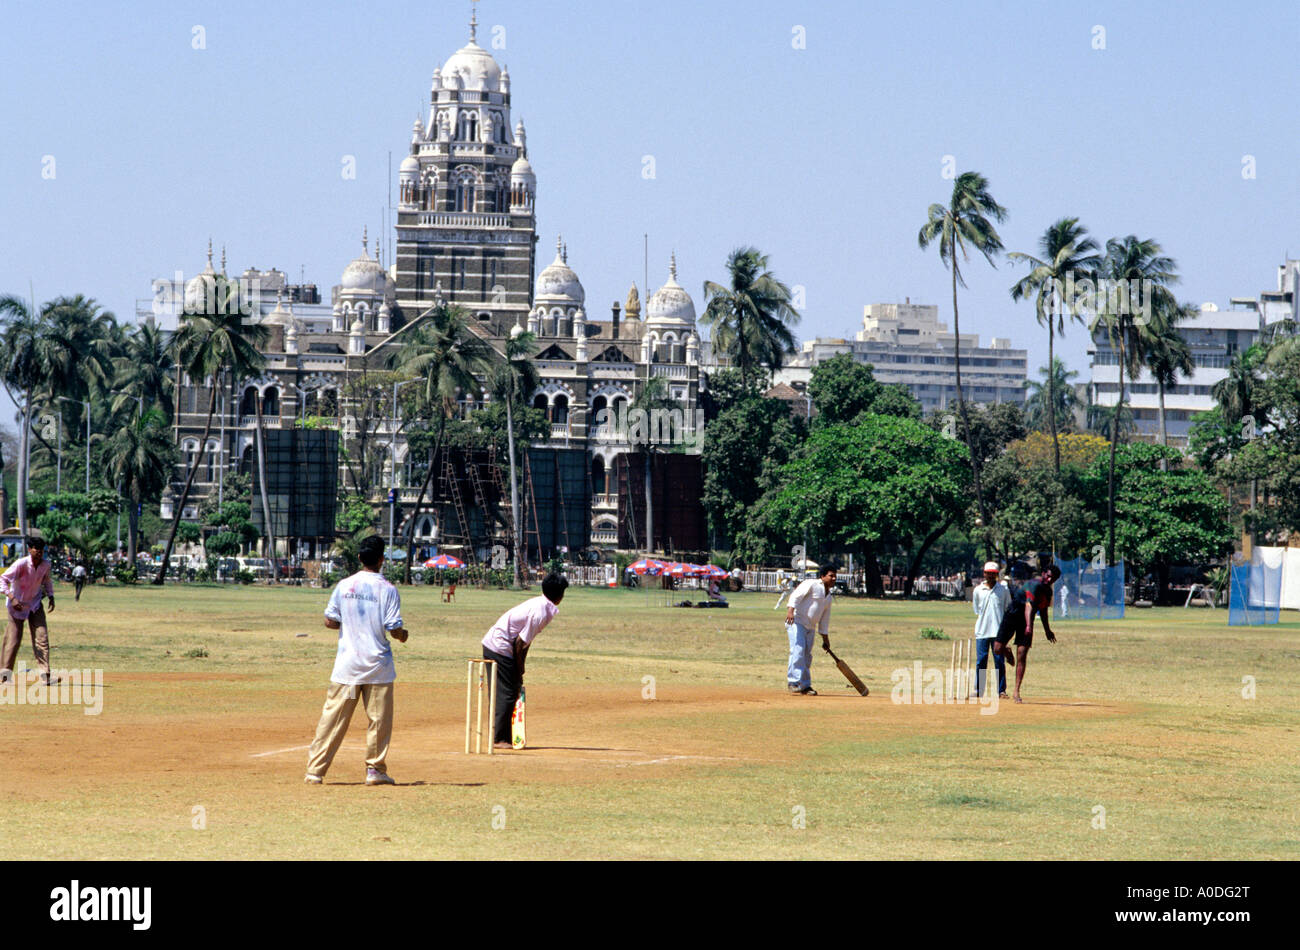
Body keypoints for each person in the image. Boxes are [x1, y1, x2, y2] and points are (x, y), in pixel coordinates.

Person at [305, 534, 409, 786]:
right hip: (377, 671)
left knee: (335, 718)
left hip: (349, 670)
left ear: (360, 557)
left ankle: (315, 771)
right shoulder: (387, 589)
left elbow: (329, 620)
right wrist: (402, 635)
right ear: (382, 560)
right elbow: (394, 628)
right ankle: (375, 770)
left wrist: (351, 623)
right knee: (378, 720)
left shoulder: (344, 585)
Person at [481, 572, 567, 749]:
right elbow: (520, 643)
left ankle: (501, 735)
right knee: (509, 691)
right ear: (560, 595)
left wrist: (519, 668)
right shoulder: (542, 611)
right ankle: (499, 739)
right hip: (500, 646)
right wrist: (519, 670)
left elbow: (523, 642)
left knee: (503, 690)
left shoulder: (541, 604)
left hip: (494, 643)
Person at [995, 561, 1059, 703]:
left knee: (1022, 654)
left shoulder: (1048, 592)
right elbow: (1029, 606)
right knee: (997, 649)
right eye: (1048, 576)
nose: (1049, 580)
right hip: (1012, 615)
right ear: (1043, 573)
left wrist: (1047, 630)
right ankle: (1006, 649)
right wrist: (1029, 626)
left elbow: (1043, 611)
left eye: (1053, 579)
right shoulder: (1034, 584)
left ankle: (1016, 691)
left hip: (1026, 621)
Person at [0, 536, 56, 686]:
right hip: (16, 605)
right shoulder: (21, 564)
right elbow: (3, 579)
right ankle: (4, 677)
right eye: (37, 550)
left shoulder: (45, 565)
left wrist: (51, 596)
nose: (39, 554)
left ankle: (46, 676)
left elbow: (47, 581)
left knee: (42, 638)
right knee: (13, 640)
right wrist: (12, 598)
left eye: (42, 551)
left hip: (35, 604)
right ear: (30, 549)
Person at [784, 564, 838, 695]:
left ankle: (805, 685)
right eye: (831, 575)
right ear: (822, 576)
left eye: (835, 576)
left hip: (810, 627)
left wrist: (825, 639)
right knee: (798, 650)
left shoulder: (829, 597)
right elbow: (796, 595)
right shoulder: (811, 584)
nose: (834, 578)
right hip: (796, 621)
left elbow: (824, 619)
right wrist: (790, 611)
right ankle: (793, 682)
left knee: (807, 656)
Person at [972, 561, 1010, 699]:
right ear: (984, 573)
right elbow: (977, 609)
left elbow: (1007, 608)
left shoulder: (1003, 590)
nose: (990, 576)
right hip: (982, 630)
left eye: (993, 574)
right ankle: (979, 690)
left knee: (999, 661)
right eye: (988, 573)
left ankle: (1001, 691)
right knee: (981, 660)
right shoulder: (978, 590)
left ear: (996, 575)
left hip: (998, 632)